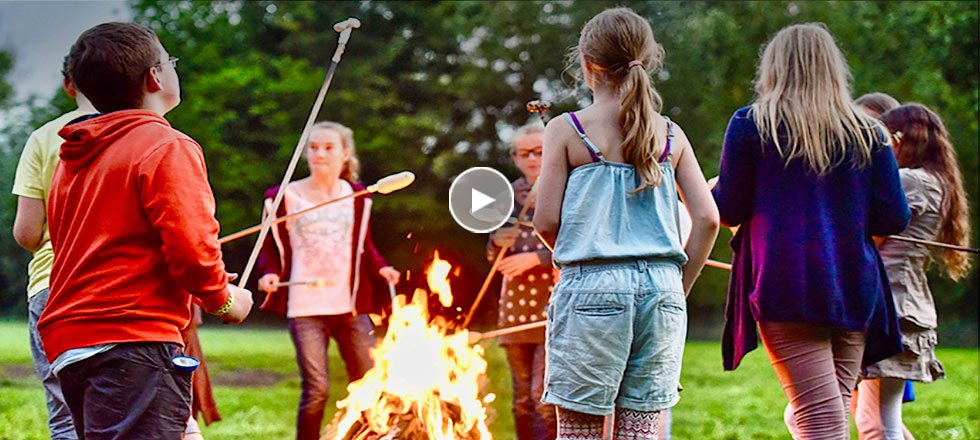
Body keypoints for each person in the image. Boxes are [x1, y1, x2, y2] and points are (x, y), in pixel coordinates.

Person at [38, 22, 253, 439]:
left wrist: (192, 281)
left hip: (75, 341)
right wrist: (225, 300)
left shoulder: (73, 158)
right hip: (132, 340)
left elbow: (110, 247)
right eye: (169, 60)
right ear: (155, 76)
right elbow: (193, 250)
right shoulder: (166, 145)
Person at [712, 23, 910, 439]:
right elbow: (893, 217)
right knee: (831, 409)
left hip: (787, 287)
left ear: (773, 68)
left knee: (820, 418)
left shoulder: (751, 125)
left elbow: (728, 209)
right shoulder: (868, 133)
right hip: (853, 287)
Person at [533, 7, 719, 439]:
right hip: (663, 289)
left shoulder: (566, 129)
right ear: (648, 60)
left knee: (581, 429)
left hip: (592, 283)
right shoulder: (670, 133)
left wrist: (577, 257)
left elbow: (546, 220)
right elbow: (707, 218)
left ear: (585, 63)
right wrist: (679, 285)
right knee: (641, 431)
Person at [256, 121, 401, 440]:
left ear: (345, 153)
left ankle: (368, 437)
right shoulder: (285, 197)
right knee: (317, 389)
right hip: (306, 307)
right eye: (314, 147)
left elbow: (364, 245)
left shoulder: (357, 195)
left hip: (350, 306)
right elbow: (269, 247)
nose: (320, 153)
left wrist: (381, 268)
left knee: (368, 382)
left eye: (329, 147)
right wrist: (268, 274)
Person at [853, 104, 973, 439]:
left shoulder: (910, 181)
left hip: (889, 304)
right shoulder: (935, 180)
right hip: (903, 300)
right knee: (884, 419)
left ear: (900, 138)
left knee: (879, 421)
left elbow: (864, 230)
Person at [11, 57, 95, 440]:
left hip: (52, 286)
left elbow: (27, 233)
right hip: (117, 287)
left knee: (65, 414)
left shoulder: (44, 137)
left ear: (69, 86)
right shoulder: (144, 133)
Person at [486, 123, 557, 440]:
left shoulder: (563, 191)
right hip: (514, 307)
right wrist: (495, 244)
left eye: (540, 152)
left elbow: (576, 242)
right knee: (521, 402)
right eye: (525, 153)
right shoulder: (506, 198)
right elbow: (493, 255)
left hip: (550, 306)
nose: (533, 159)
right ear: (515, 157)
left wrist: (537, 258)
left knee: (542, 396)